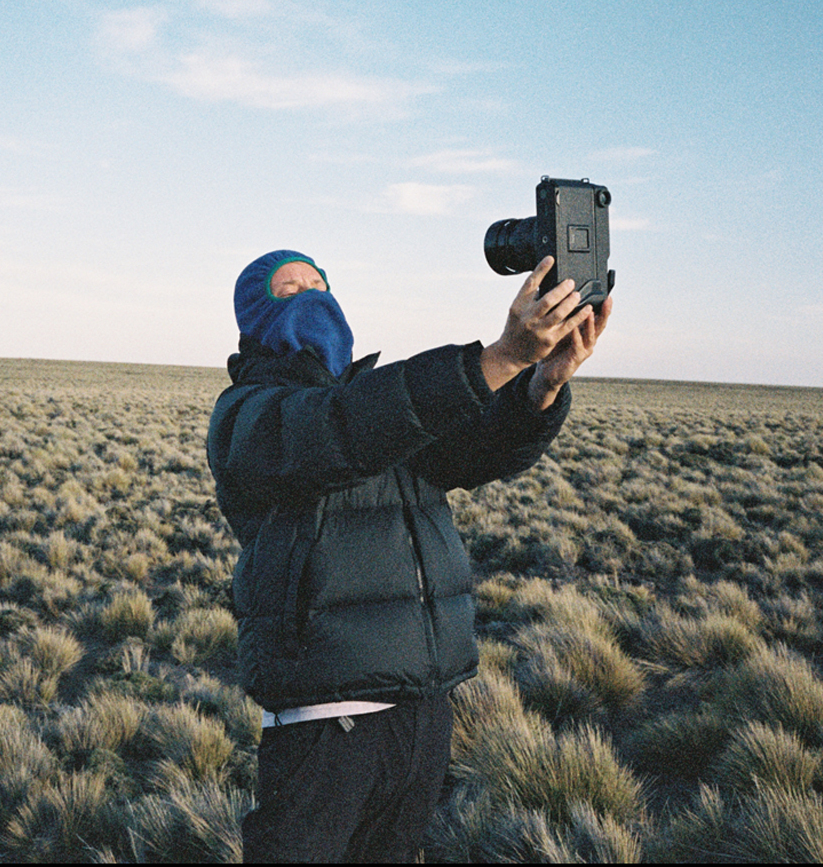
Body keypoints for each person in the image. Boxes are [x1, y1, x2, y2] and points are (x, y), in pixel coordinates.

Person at [206, 248, 612, 863]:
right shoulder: (249, 415)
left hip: (421, 718)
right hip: (325, 724)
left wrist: (541, 384)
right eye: (290, 291)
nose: (312, 297)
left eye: (320, 284)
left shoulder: (378, 405)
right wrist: (498, 358)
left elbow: (475, 451)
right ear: (254, 318)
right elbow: (341, 431)